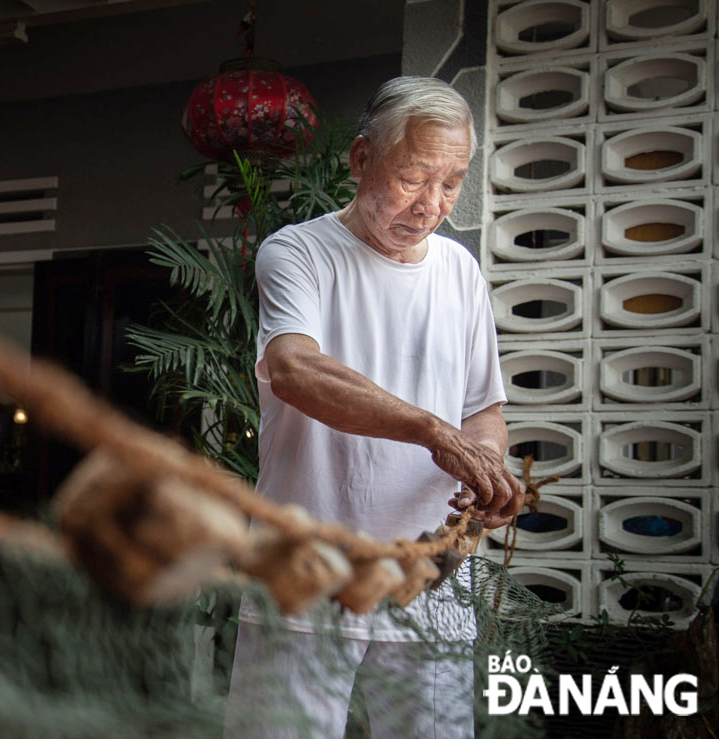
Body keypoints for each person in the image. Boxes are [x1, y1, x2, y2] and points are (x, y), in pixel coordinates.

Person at [224, 76, 526, 738]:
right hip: (307, 568)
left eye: (452, 182)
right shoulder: (299, 253)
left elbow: (483, 410)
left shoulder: (459, 271)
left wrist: (487, 468)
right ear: (361, 159)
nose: (434, 204)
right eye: (415, 177)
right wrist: (431, 430)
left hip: (431, 571)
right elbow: (296, 369)